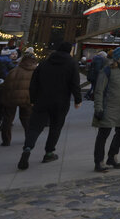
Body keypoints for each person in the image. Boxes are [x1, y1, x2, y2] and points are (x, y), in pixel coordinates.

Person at [18, 42, 82, 170]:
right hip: (61, 101)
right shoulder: (71, 64)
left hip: (42, 100)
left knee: (35, 126)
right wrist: (77, 100)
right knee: (55, 127)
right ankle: (49, 152)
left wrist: (33, 99)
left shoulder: (44, 63)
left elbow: (34, 82)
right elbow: (75, 83)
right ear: (69, 51)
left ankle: (28, 147)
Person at [92, 46, 120, 172]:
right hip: (109, 107)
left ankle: (112, 156)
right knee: (103, 135)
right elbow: (99, 91)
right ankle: (99, 161)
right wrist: (98, 108)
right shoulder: (107, 70)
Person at [0, 49, 37, 146]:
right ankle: (29, 138)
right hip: (27, 98)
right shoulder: (34, 73)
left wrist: (4, 98)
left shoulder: (14, 71)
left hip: (11, 98)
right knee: (27, 119)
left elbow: (6, 85)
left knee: (8, 119)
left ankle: (6, 140)